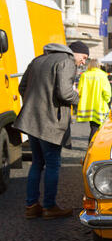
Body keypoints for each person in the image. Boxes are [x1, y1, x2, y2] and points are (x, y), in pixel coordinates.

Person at [13, 41, 89, 219]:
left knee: (37, 164)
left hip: (31, 120)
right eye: (84, 57)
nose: (83, 62)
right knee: (53, 164)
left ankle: (31, 206)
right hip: (51, 122)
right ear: (75, 53)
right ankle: (49, 207)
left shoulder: (38, 60)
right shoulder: (67, 62)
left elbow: (22, 87)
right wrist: (77, 98)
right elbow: (64, 93)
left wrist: (35, 103)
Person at [77, 59, 112, 142]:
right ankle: (93, 146)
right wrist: (107, 100)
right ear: (98, 65)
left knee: (93, 127)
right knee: (98, 129)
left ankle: (93, 145)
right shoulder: (102, 75)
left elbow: (80, 91)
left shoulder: (84, 75)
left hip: (87, 106)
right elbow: (107, 91)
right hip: (100, 105)